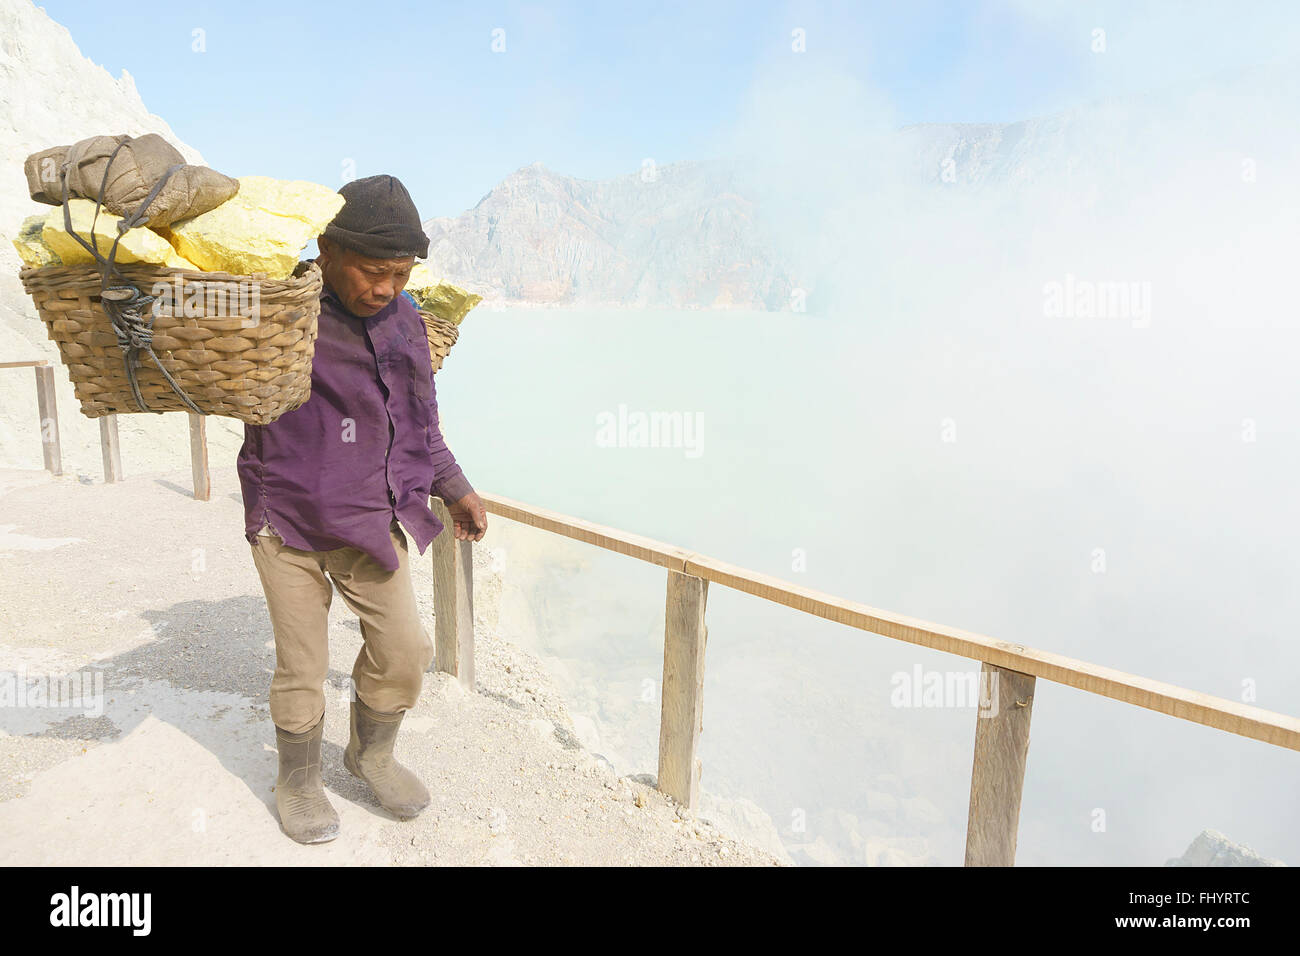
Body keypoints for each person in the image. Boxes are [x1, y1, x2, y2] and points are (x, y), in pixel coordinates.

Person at [237, 173, 487, 844]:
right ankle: (298, 780)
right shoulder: (280, 309)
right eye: (372, 272)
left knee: (406, 650)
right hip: (286, 518)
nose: (384, 288)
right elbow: (224, 373)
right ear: (326, 250)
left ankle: (369, 753)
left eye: (399, 274)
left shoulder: (406, 321)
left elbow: (422, 423)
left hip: (368, 519)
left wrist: (454, 487)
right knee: (302, 662)